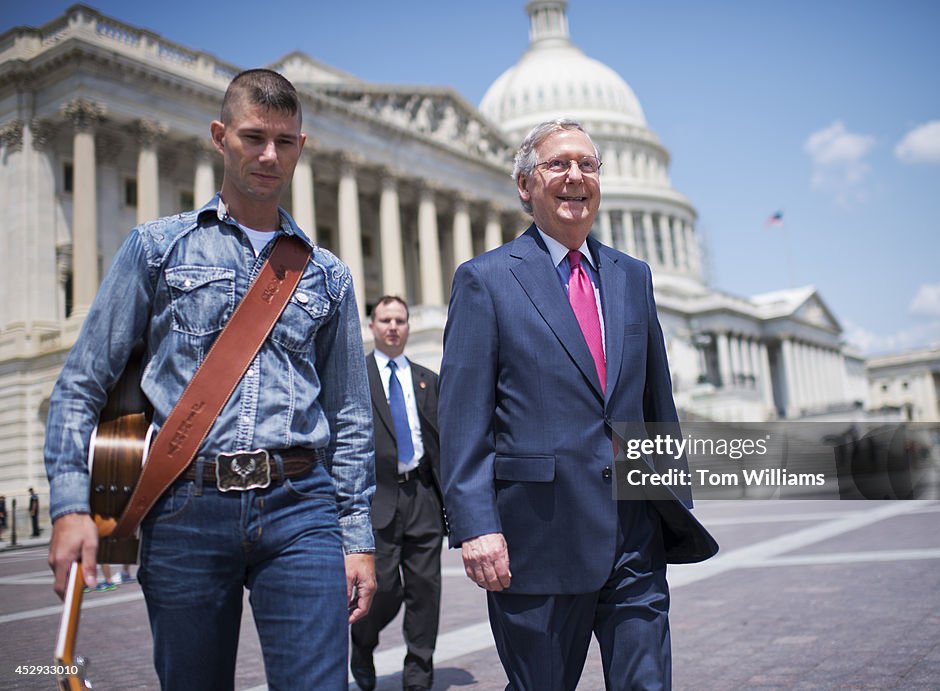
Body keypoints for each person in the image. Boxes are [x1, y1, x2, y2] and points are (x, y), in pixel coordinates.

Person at [44, 69, 376, 690]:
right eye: (254, 137)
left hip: (299, 503)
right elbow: (82, 382)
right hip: (186, 503)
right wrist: (69, 506)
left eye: (284, 141)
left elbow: (351, 414)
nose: (269, 155)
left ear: (301, 147)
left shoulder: (328, 274)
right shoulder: (156, 248)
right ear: (220, 137)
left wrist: (355, 533)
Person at [439, 118, 718, 690]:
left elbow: (655, 401)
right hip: (536, 541)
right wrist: (475, 525)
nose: (574, 177)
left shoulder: (631, 276)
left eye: (587, 165)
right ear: (525, 185)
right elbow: (464, 418)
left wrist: (673, 502)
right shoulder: (485, 281)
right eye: (557, 165)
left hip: (634, 536)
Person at [351, 295, 445, 691]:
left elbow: (442, 440)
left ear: (408, 326)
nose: (393, 326)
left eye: (400, 320)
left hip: (422, 494)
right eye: (385, 319)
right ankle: (362, 645)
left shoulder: (427, 379)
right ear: (372, 326)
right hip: (378, 498)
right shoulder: (356, 376)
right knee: (383, 586)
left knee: (426, 589)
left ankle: (418, 672)